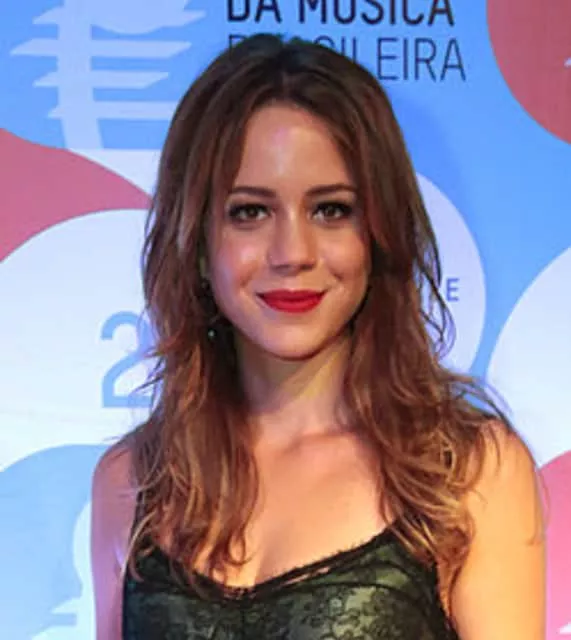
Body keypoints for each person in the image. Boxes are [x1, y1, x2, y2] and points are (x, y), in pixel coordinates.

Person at [90, 34, 545, 639]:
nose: (293, 253)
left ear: (378, 233)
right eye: (250, 211)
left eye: (331, 210)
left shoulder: (467, 472)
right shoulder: (132, 480)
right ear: (196, 241)